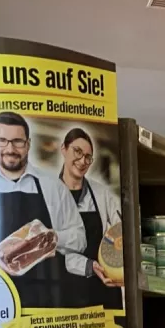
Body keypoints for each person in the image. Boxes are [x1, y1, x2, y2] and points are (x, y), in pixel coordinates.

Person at [0, 111, 89, 308]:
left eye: (17, 141)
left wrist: (50, 240)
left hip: (46, 304)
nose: (10, 148)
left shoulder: (52, 187)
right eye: (2, 141)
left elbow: (80, 238)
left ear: (28, 144)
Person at [58, 127, 123, 303]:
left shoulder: (101, 193)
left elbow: (123, 230)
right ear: (63, 149)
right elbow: (54, 248)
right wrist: (87, 265)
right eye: (77, 152)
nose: (82, 160)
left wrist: (120, 268)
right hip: (64, 290)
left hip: (102, 286)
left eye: (88, 157)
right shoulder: (50, 194)